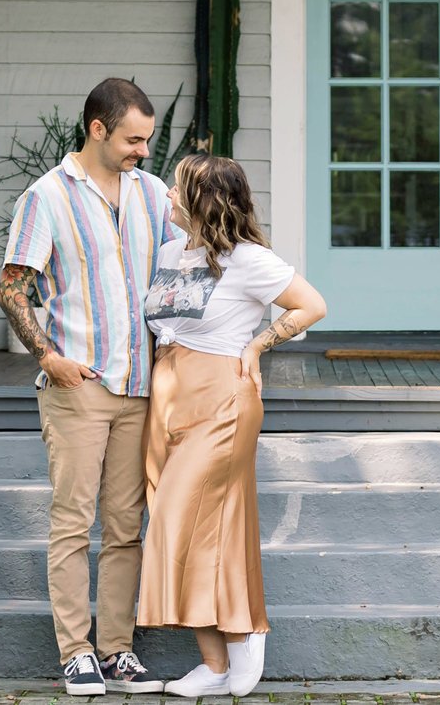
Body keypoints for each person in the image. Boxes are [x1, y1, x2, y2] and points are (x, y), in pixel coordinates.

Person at [0, 78, 176, 696]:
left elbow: (182, 274)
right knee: (73, 522)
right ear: (97, 129)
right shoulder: (46, 197)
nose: (143, 152)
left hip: (141, 386)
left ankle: (117, 649)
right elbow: (12, 288)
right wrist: (50, 357)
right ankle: (76, 652)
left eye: (148, 141)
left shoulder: (152, 195)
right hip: (78, 385)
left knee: (126, 525)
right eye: (133, 139)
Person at [138, 154, 329, 698]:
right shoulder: (172, 252)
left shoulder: (248, 259)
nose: (168, 197)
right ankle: (216, 662)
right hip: (167, 399)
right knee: (189, 526)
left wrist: (259, 343)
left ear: (203, 200)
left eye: (177, 188)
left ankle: (242, 635)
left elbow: (312, 304)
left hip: (221, 398)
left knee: (181, 521)